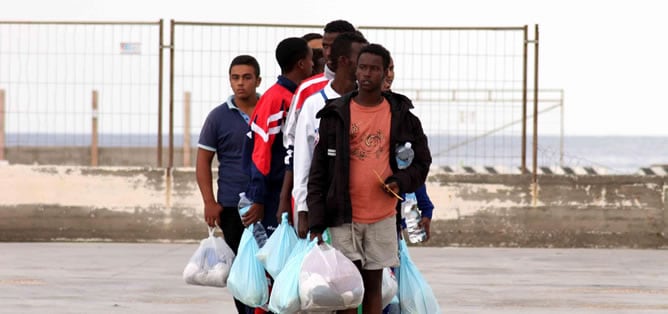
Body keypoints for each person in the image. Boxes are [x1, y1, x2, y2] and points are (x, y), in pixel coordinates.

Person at [307, 44, 432, 313]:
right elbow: (318, 171)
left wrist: (400, 181)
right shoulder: (335, 113)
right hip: (343, 216)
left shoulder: (402, 116)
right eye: (362, 67)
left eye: (374, 69)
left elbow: (422, 162)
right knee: (347, 291)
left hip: (383, 216)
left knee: (373, 287)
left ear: (385, 72)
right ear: (355, 69)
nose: (367, 74)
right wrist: (315, 218)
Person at [195, 55, 261, 314]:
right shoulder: (218, 117)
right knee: (239, 268)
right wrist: (209, 202)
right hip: (232, 207)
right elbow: (203, 162)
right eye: (235, 78)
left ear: (258, 80)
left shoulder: (270, 108)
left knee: (268, 266)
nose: (240, 83)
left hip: (266, 204)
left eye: (246, 77)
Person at [279, 19, 356, 232]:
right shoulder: (308, 92)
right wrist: (293, 201)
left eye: (335, 46)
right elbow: (295, 148)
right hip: (319, 201)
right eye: (325, 46)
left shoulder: (368, 93)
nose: (328, 53)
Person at [292, 31, 368, 238]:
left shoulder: (371, 103)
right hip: (326, 210)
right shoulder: (314, 105)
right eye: (362, 60)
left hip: (366, 211)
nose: (367, 67)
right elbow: (303, 160)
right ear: (345, 61)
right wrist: (303, 209)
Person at [242, 37, 313, 239]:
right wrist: (258, 198)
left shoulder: (299, 95)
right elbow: (260, 151)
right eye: (310, 59)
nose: (313, 64)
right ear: (301, 63)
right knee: (275, 261)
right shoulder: (277, 98)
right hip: (273, 193)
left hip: (291, 190)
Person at [383, 56, 435, 241]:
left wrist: (424, 206)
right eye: (384, 68)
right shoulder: (347, 112)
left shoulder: (405, 117)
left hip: (393, 222)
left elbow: (414, 164)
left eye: (391, 68)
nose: (388, 75)